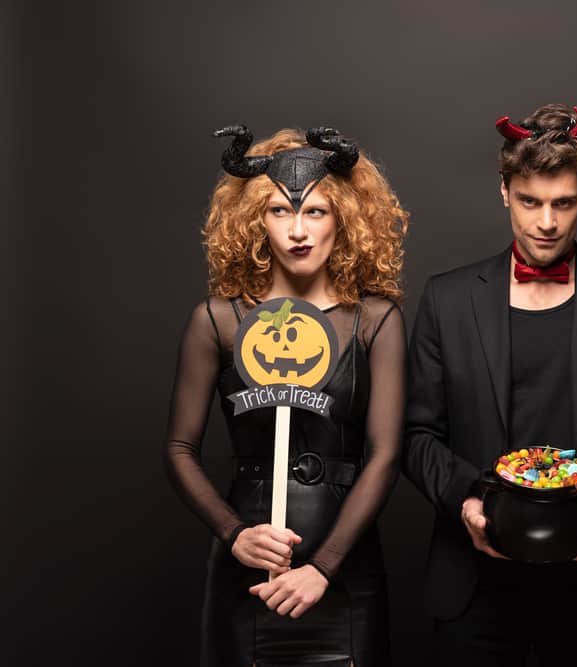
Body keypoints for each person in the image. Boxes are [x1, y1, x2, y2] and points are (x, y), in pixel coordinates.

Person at [402, 104, 577, 666]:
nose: (547, 223)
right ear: (505, 191)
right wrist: (469, 501)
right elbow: (415, 435)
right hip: (473, 585)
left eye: (564, 203)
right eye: (530, 201)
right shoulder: (447, 299)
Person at [164, 124, 408, 667]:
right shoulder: (217, 320)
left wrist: (323, 567)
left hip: (344, 574)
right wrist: (233, 535)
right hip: (250, 575)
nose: (298, 230)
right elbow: (179, 448)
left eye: (316, 212)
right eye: (280, 212)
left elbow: (386, 455)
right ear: (257, 222)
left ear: (344, 218)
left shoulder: (376, 321)